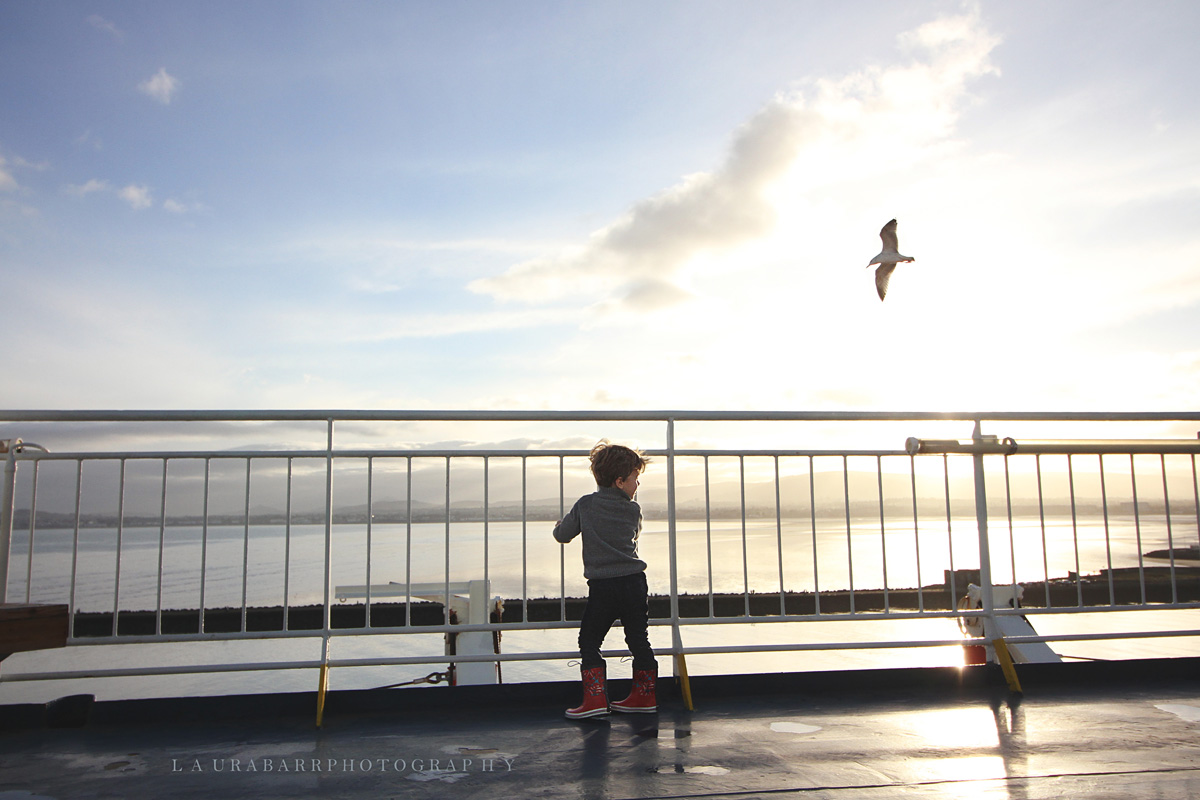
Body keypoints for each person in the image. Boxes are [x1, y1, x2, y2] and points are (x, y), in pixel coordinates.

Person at [554, 441, 658, 719]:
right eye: (636, 479)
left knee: (589, 640)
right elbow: (633, 537)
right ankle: (645, 697)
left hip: (603, 586)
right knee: (638, 639)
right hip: (635, 582)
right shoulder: (633, 510)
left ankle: (596, 699)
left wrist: (557, 526)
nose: (638, 485)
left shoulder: (586, 505)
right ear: (620, 481)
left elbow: (563, 535)